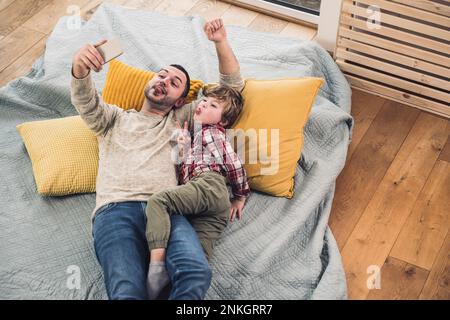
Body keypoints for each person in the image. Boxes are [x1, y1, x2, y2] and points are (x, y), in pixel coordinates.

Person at [70, 18, 245, 300]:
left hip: (168, 210)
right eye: (161, 75)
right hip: (115, 212)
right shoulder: (113, 119)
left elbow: (230, 92)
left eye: (174, 83)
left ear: (179, 101)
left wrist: (220, 42)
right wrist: (80, 69)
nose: (164, 80)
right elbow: (86, 101)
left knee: (196, 273)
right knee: (127, 289)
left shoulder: (183, 117)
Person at [145, 83, 250, 299]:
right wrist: (182, 144)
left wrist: (240, 196)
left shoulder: (212, 133)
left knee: (158, 202)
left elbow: (234, 165)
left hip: (208, 187)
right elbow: (183, 168)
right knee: (196, 259)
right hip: (213, 207)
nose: (203, 104)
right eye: (203, 100)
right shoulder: (198, 137)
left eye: (212, 105)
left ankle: (156, 268)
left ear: (223, 121)